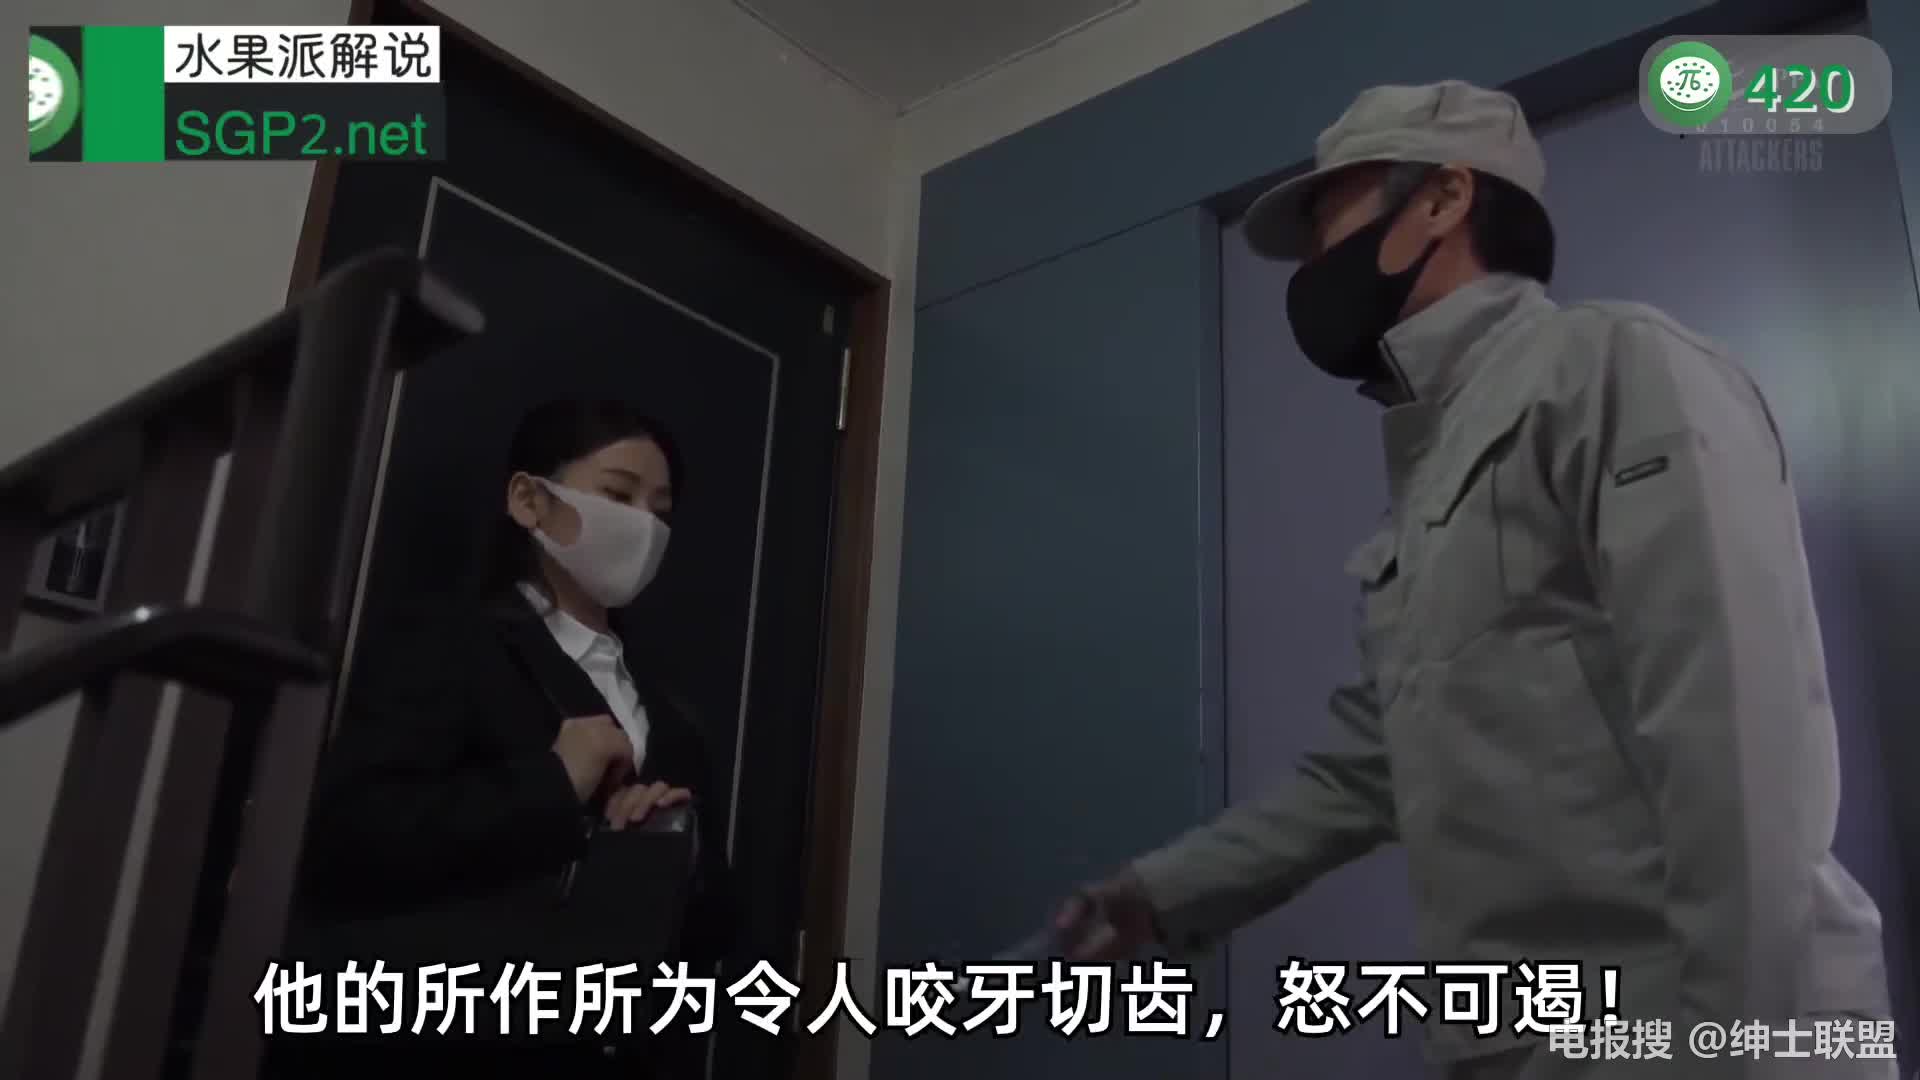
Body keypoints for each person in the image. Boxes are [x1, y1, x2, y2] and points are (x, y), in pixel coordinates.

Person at [1050, 82, 1896, 1078]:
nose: (1314, 272)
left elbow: (1736, 728)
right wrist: (1163, 892)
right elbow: (1362, 773)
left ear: (1444, 199)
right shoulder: (1429, 482)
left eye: (1329, 227)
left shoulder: (1610, 368)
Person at [285, 398, 734, 1076]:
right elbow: (349, 836)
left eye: (661, 510)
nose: (643, 525)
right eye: (618, 495)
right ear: (529, 500)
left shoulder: (673, 717)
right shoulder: (449, 644)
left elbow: (712, 934)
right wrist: (553, 782)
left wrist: (669, 850)